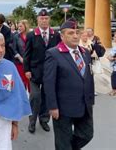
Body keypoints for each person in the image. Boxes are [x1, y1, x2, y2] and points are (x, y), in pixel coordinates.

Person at [43, 18, 95, 150]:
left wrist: (91, 99)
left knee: (87, 135)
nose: (75, 35)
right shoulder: (53, 54)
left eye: (77, 32)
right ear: (62, 36)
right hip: (63, 108)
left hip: (84, 105)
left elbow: (89, 76)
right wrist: (52, 106)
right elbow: (49, 83)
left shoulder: (85, 53)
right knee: (63, 142)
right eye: (71, 33)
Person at [23, 9, 61, 134]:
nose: (44, 21)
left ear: (49, 20)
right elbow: (27, 54)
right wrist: (26, 69)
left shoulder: (55, 35)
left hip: (50, 72)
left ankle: (44, 119)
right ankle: (32, 120)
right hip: (34, 72)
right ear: (37, 20)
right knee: (35, 96)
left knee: (46, 96)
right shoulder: (32, 35)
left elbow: (58, 54)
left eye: (46, 18)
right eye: (41, 19)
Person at [12, 19, 31, 92]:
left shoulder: (31, 35)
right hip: (20, 63)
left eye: (20, 26)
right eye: (18, 26)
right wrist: (20, 57)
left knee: (30, 83)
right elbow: (14, 49)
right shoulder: (16, 36)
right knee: (21, 83)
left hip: (30, 63)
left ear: (25, 26)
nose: (19, 28)